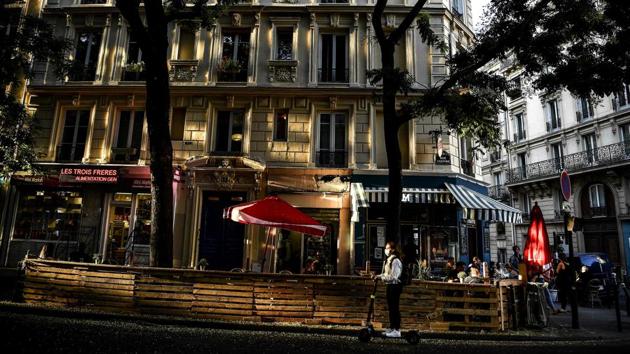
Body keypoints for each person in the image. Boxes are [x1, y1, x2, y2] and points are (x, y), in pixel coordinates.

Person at [374, 241, 403, 338]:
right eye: (386, 248)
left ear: (393, 249)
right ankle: (392, 327)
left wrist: (381, 278)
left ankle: (397, 330)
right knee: (391, 308)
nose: (386, 250)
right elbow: (387, 274)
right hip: (390, 286)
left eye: (388, 248)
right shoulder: (389, 260)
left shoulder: (395, 261)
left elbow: (394, 277)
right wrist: (379, 276)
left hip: (395, 286)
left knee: (394, 308)